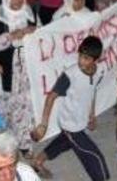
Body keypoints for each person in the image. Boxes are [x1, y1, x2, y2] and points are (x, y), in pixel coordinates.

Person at [30, 36, 110, 181]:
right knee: (92, 154)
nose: (81, 61)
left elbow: (92, 91)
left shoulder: (100, 71)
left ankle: (38, 160)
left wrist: (91, 115)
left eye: (86, 58)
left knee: (65, 142)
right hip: (70, 123)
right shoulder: (70, 75)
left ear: (95, 60)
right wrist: (43, 125)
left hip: (80, 119)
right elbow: (51, 97)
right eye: (80, 56)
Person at [0, 0, 39, 153]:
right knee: (7, 105)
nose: (17, 0)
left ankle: (24, 141)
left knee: (27, 102)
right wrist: (11, 36)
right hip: (8, 67)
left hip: (28, 64)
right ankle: (6, 143)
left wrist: (35, 33)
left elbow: (42, 33)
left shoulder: (29, 12)